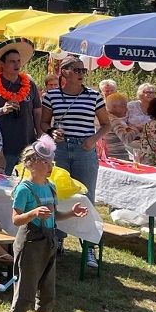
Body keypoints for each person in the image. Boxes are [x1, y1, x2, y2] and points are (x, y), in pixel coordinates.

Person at [7, 137, 90, 312]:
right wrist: (33, 213)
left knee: (47, 285)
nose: (50, 166)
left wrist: (72, 212)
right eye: (45, 162)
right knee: (26, 284)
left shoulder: (51, 187)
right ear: (30, 163)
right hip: (30, 242)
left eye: (51, 162)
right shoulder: (24, 189)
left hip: (49, 240)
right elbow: (16, 220)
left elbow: (55, 214)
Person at [36, 55, 109, 269]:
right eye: (76, 70)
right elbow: (43, 122)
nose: (81, 74)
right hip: (59, 149)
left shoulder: (94, 96)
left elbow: (106, 124)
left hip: (84, 149)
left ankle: (89, 247)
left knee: (86, 197)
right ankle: (57, 240)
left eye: (82, 70)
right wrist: (51, 132)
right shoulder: (52, 96)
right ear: (64, 72)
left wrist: (94, 139)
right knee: (56, 194)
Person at [0, 40, 40, 176]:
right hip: (2, 148)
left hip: (27, 144)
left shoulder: (29, 84)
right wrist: (1, 110)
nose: (17, 64)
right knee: (2, 182)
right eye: (12, 61)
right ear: (2, 64)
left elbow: (37, 111)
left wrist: (40, 135)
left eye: (18, 61)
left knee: (28, 181)